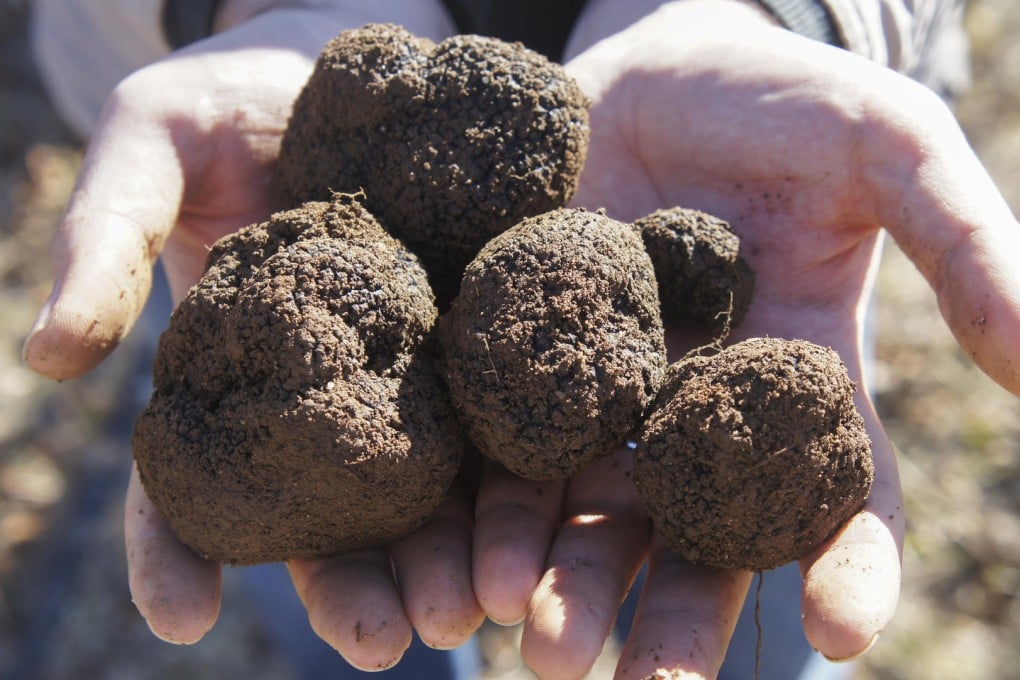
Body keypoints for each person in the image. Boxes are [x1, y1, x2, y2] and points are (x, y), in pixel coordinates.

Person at [23, 0, 1020, 678]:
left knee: (756, 609)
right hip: (244, 217)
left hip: (698, 189)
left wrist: (785, 11)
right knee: (358, 603)